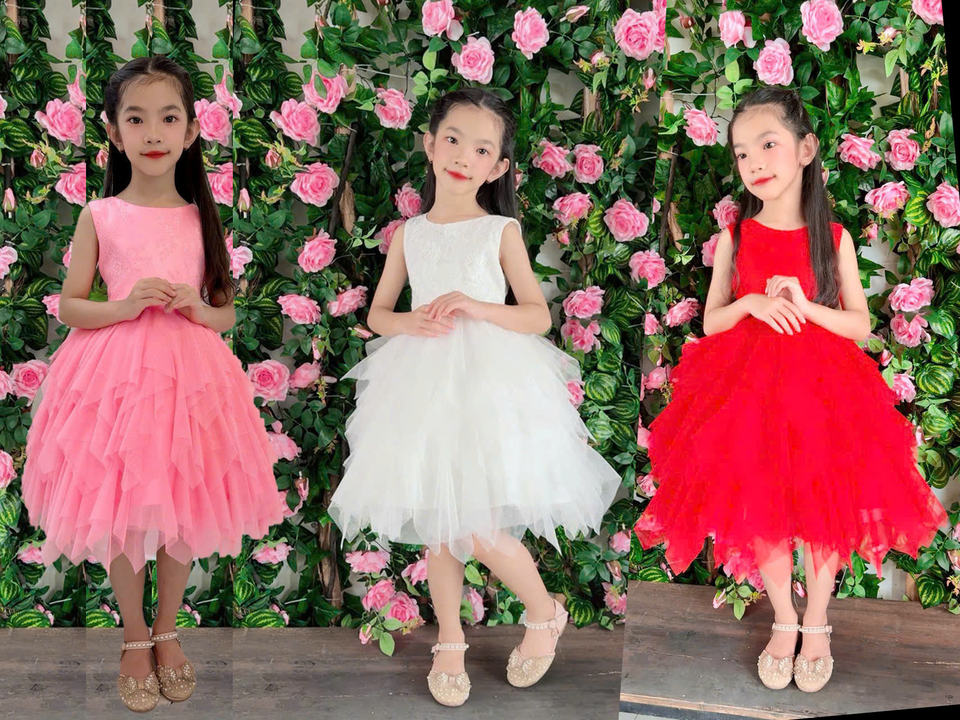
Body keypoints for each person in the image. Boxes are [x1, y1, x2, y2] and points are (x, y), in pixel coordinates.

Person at [633, 87, 947, 693]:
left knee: (822, 502)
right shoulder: (737, 235)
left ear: (806, 150)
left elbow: (860, 325)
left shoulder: (833, 237)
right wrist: (752, 302)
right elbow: (712, 321)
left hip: (823, 390)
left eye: (768, 145)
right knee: (763, 502)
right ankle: (784, 616)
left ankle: (818, 620)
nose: (754, 162)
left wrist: (804, 305)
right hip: (747, 389)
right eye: (741, 152)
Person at [327, 87, 621, 707]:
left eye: (482, 149)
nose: (464, 156)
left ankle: (543, 612)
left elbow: (537, 314)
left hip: (489, 384)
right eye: (453, 140)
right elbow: (379, 314)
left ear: (498, 168)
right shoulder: (409, 235)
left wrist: (476, 306)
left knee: (478, 527)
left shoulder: (500, 230)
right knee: (440, 523)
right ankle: (450, 639)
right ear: (430, 145)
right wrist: (411, 323)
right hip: (421, 382)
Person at [21, 56, 287, 713]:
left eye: (169, 118)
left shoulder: (201, 217)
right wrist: (125, 304)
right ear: (113, 133)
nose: (153, 133)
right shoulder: (101, 215)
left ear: (192, 130)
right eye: (135, 120)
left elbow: (224, 312)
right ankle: (134, 634)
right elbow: (70, 306)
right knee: (120, 505)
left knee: (181, 501)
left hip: (190, 380)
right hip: (115, 377)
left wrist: (198, 309)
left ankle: (168, 627)